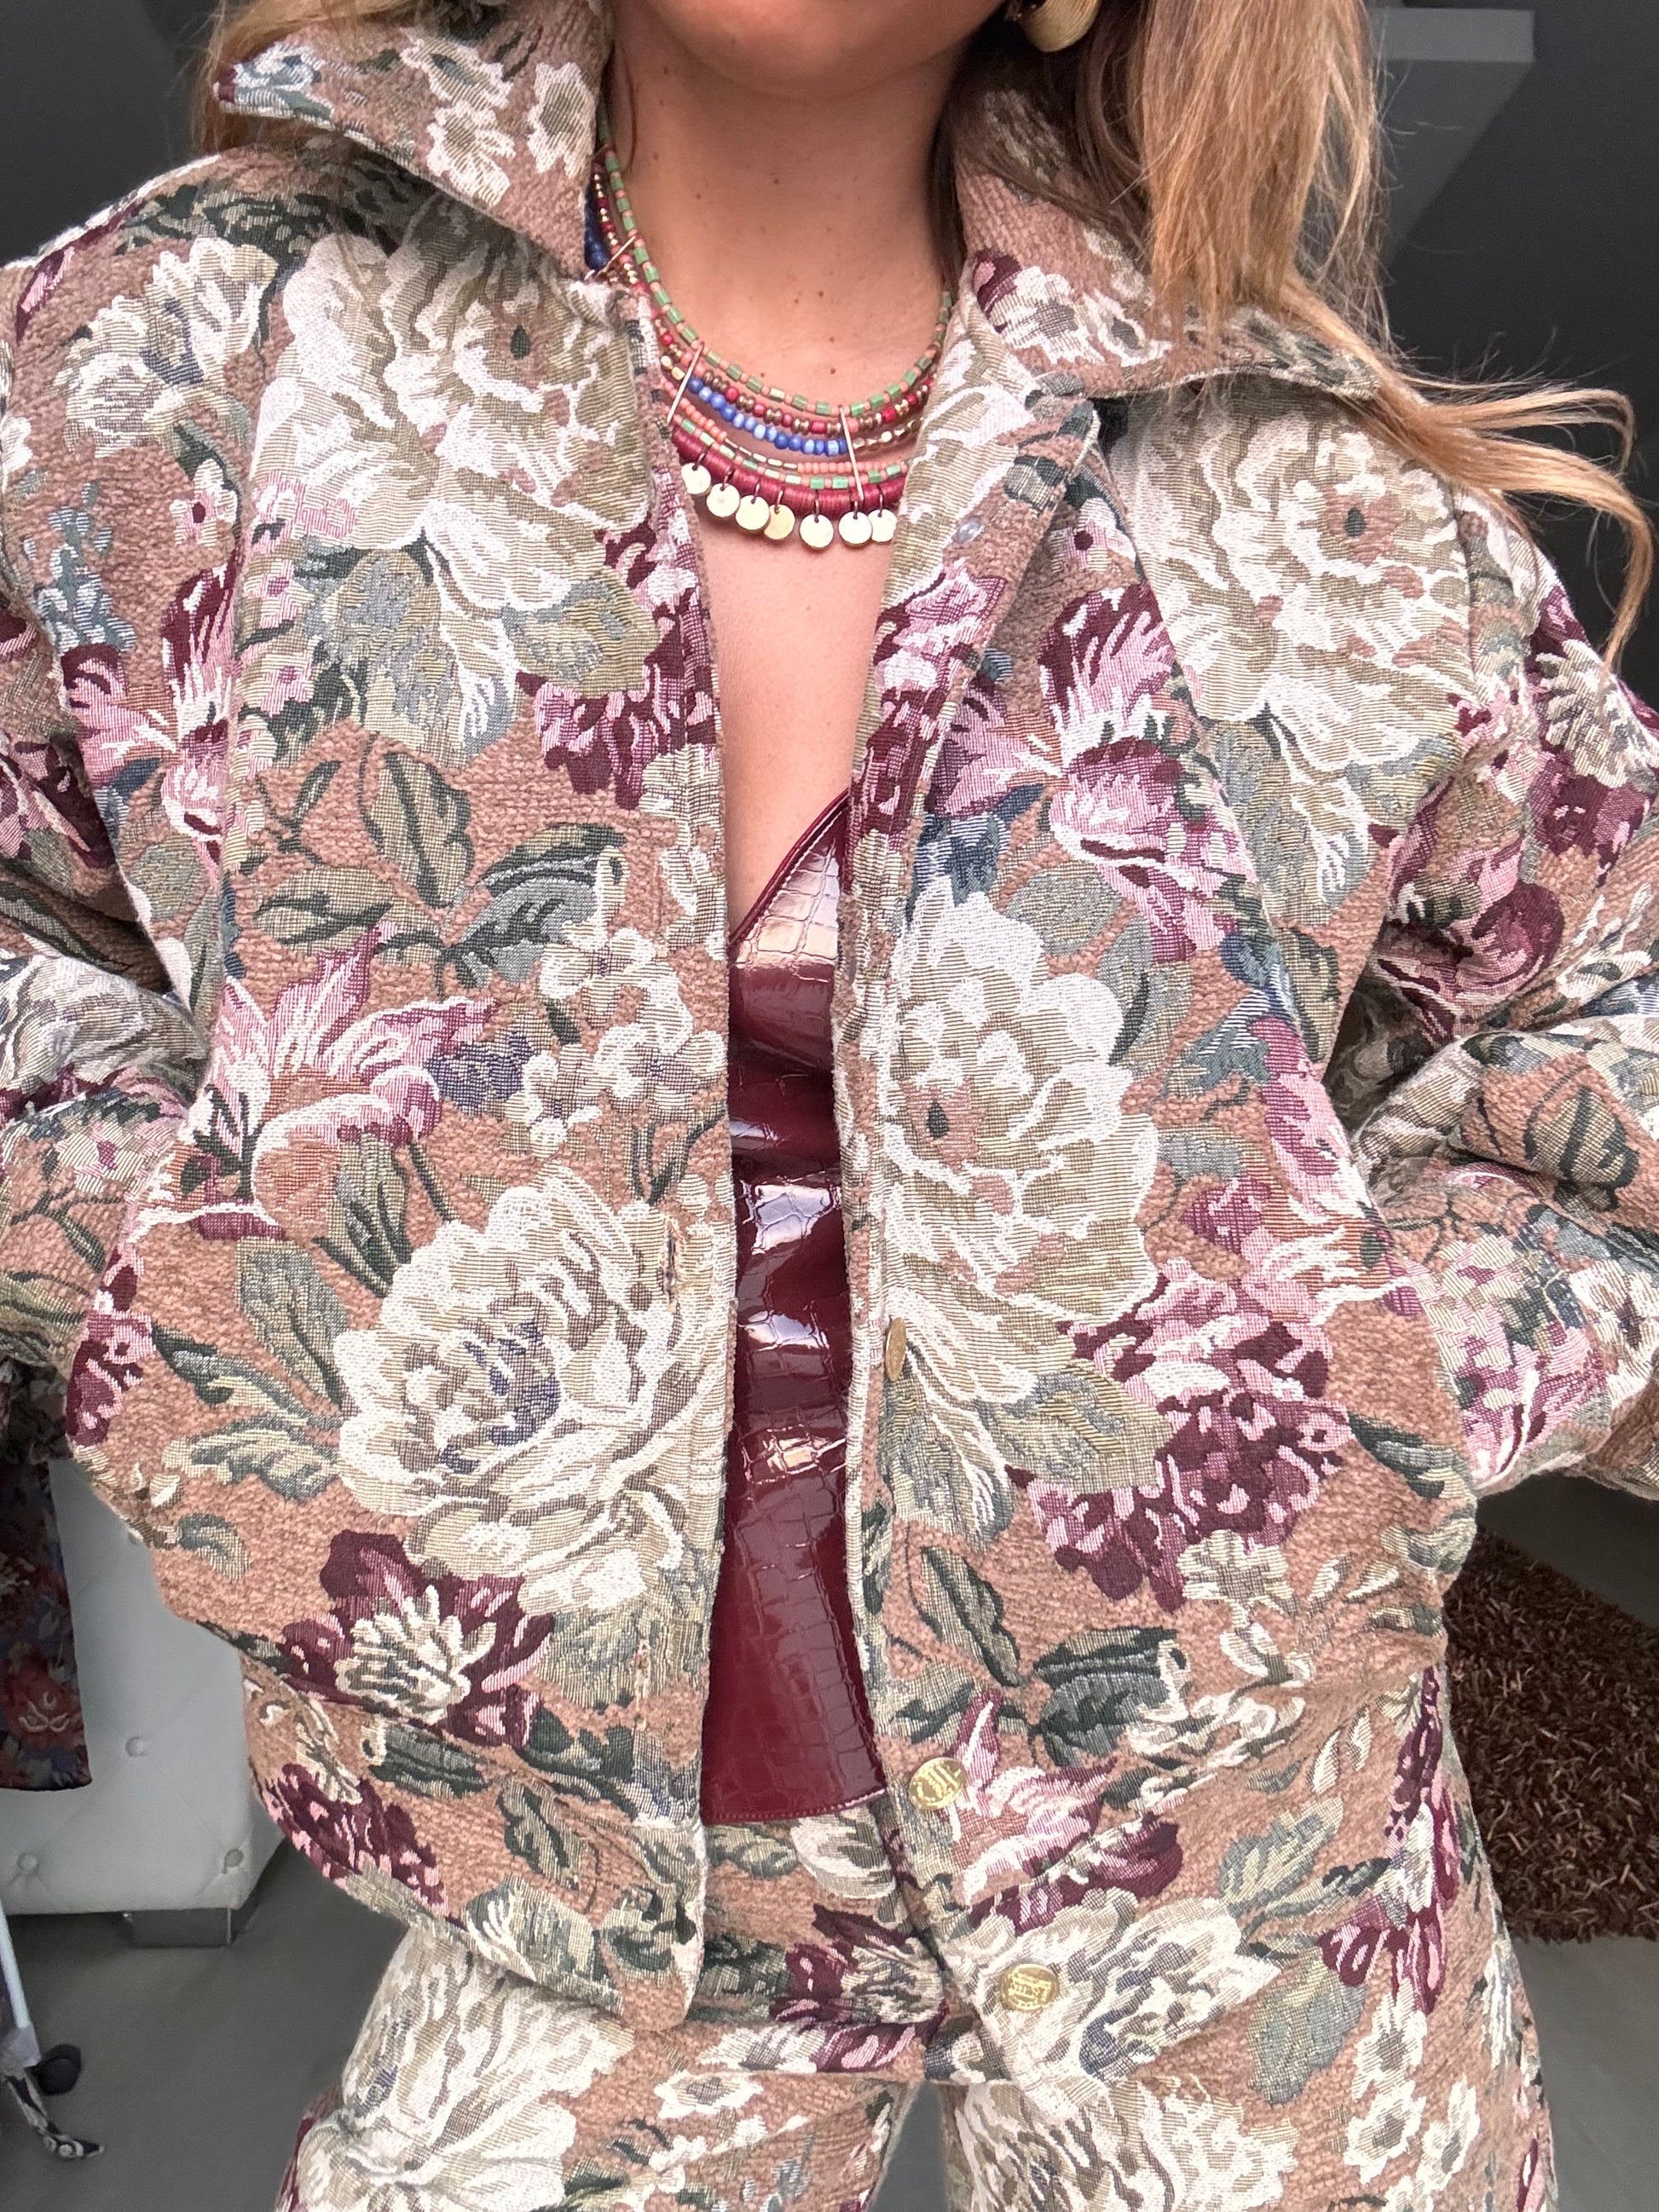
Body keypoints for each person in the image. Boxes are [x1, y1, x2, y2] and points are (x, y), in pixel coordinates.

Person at [0, 0, 1654, 2203]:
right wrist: (210, 1302)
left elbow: (1598, 1047)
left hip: (1258, 1894)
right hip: (590, 1917)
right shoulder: (177, 361)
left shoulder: (1309, 496)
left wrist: (1335, 1396)